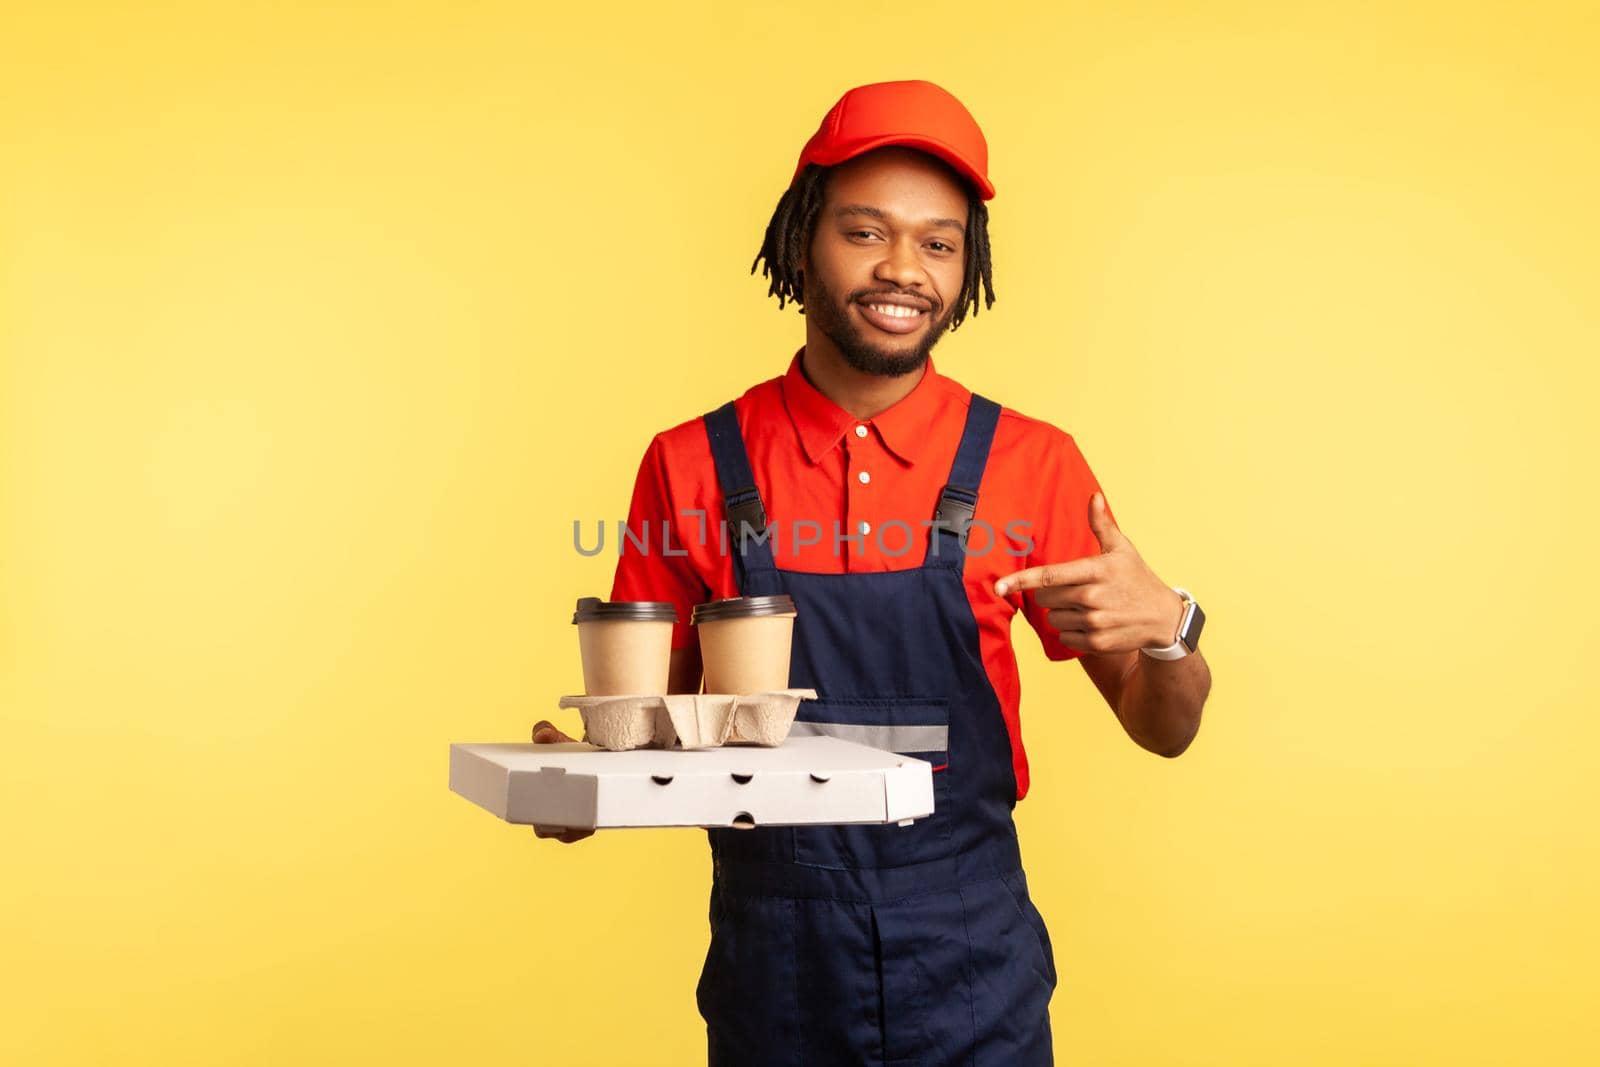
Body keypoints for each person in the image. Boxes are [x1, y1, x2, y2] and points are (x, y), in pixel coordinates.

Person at [532, 79, 1213, 1066]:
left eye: (938, 243)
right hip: (777, 967)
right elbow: (662, 731)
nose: (904, 268)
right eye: (866, 231)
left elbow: (1167, 726)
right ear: (804, 236)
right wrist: (582, 786)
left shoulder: (1032, 463)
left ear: (965, 266)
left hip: (971, 954)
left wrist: (1169, 626)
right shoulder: (691, 464)